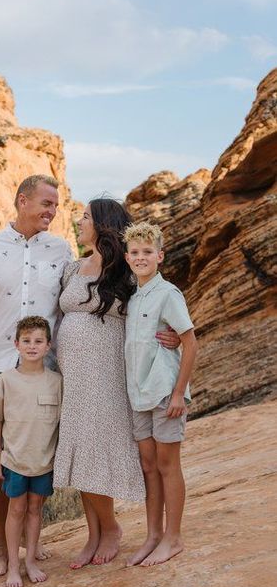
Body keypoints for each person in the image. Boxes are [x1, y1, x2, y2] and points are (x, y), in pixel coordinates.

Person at [53, 198, 180, 569]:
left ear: (103, 224)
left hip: (108, 374)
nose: (79, 221)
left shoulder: (125, 270)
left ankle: (112, 529)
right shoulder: (72, 269)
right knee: (79, 446)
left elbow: (155, 305)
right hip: (73, 376)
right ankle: (94, 534)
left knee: (97, 445)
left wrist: (169, 332)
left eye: (86, 217)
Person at [0, 174, 73, 576]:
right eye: (46, 203)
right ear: (21, 200)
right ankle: (0, 547)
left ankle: (33, 542)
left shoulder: (61, 249)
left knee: (42, 453)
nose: (52, 211)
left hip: (46, 369)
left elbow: (75, 300)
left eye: (56, 205)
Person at [123, 221, 197, 567]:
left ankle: (174, 537)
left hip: (166, 393)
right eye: (135, 253)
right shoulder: (134, 297)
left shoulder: (168, 294)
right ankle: (153, 534)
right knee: (149, 466)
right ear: (127, 257)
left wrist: (179, 393)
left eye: (148, 252)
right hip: (139, 393)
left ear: (160, 256)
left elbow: (190, 341)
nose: (141, 257)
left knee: (168, 465)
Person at [0, 316, 62, 587]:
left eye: (38, 341)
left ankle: (30, 561)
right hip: (15, 460)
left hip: (43, 461)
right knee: (15, 509)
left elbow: (61, 422)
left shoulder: (55, 382)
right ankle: (14, 567)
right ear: (16, 344)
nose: (32, 346)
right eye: (26, 341)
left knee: (34, 509)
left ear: (48, 346)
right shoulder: (6, 380)